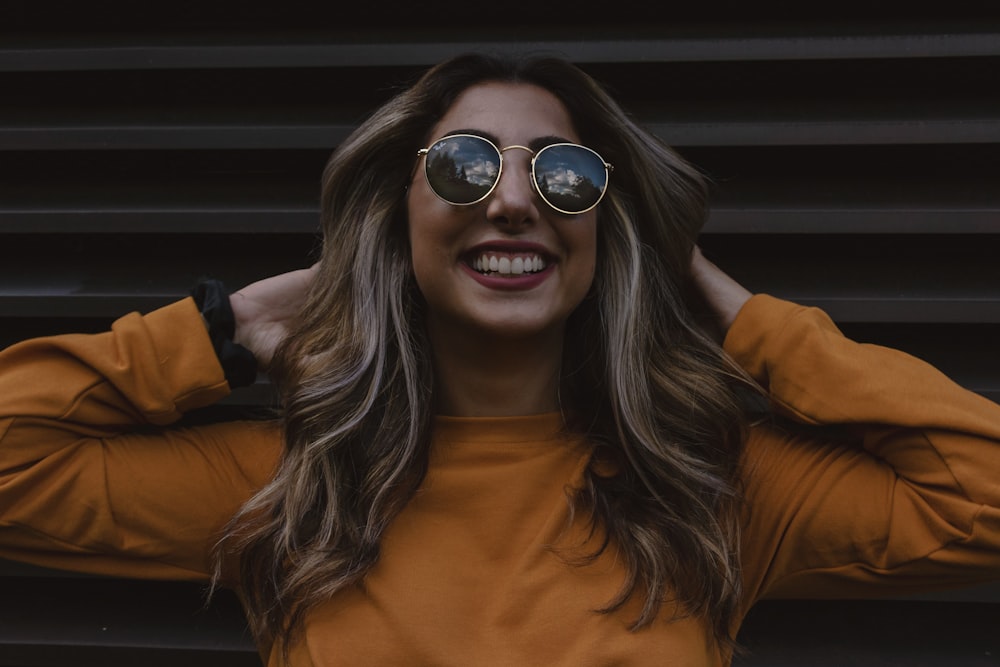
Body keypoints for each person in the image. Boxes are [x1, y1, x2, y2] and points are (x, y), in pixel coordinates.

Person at [1, 53, 998, 666]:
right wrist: (221, 331)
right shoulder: (290, 488)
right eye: (463, 166)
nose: (513, 201)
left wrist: (736, 313)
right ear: (402, 214)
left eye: (564, 176)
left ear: (605, 228)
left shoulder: (710, 489)